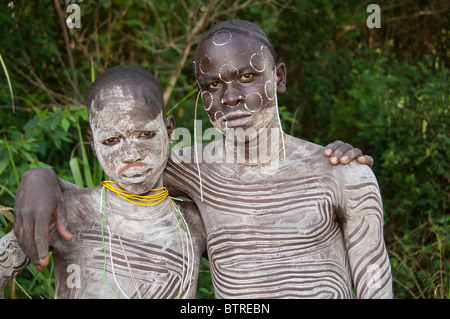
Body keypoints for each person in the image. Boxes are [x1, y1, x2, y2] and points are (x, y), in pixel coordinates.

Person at [11, 20, 389, 298]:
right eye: (211, 85)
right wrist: (40, 176)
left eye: (247, 76)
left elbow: (375, 282)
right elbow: (113, 182)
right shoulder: (187, 168)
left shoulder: (342, 175)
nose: (230, 97)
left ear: (279, 76)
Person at [1, 65, 206, 299]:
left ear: (169, 131)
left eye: (146, 135)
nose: (131, 155)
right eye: (111, 140)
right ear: (94, 146)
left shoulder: (194, 223)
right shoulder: (69, 213)